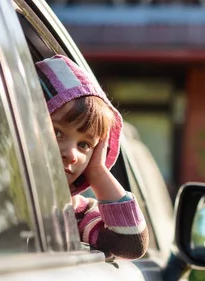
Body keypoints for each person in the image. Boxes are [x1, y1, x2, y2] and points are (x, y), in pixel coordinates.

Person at [35, 55, 149, 259]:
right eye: (57, 133)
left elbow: (132, 242)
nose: (72, 155)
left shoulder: (78, 213)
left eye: (84, 145)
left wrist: (97, 171)